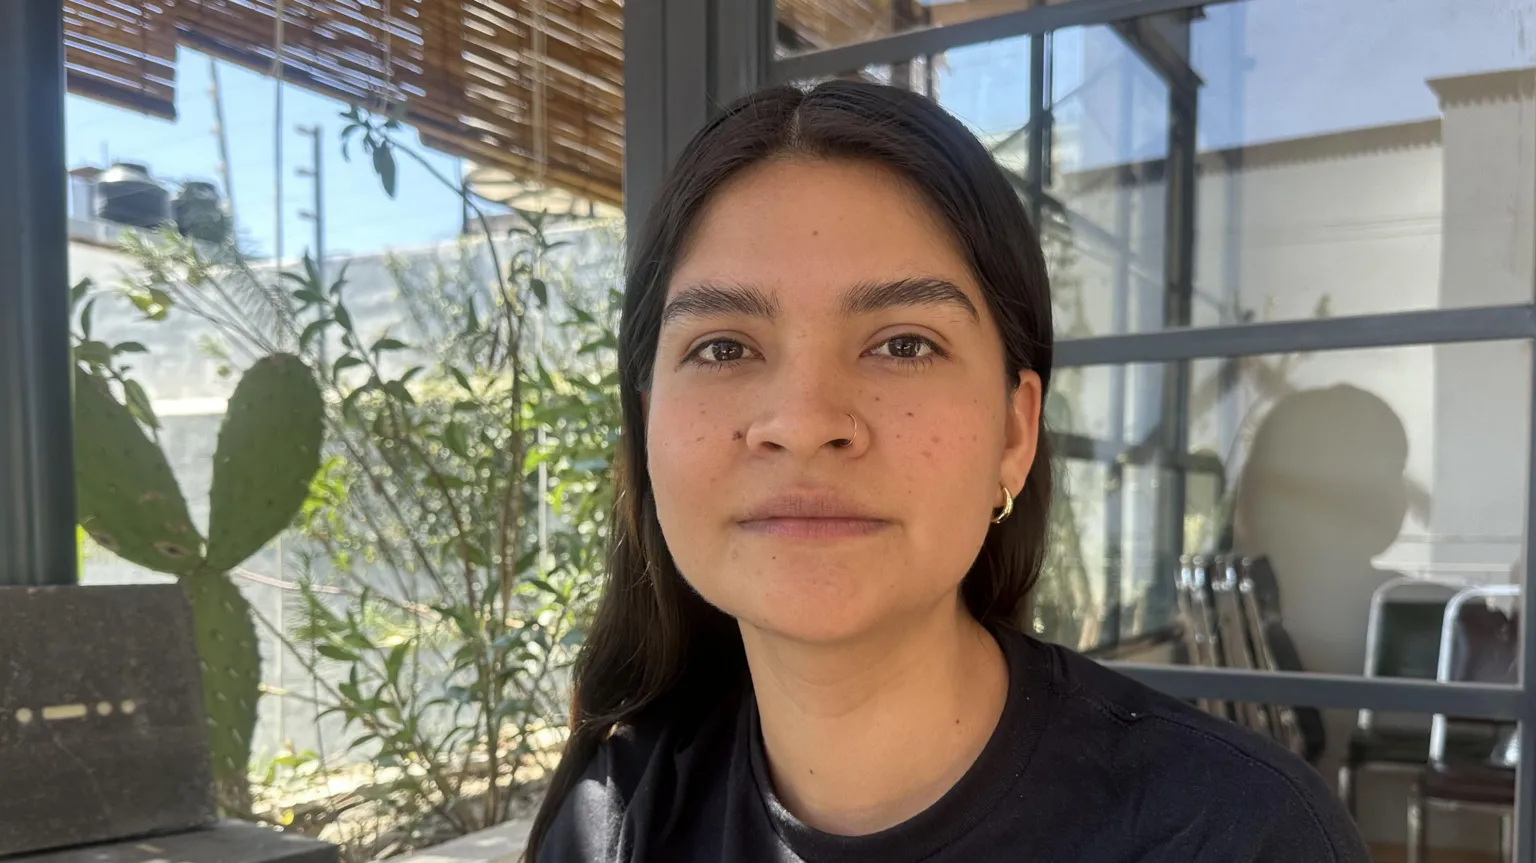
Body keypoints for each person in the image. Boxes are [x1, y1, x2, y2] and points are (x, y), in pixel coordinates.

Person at [526, 81, 1370, 863]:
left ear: (1013, 429)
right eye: (722, 347)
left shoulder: (1233, 834)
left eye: (904, 344)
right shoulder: (617, 822)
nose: (806, 423)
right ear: (647, 425)